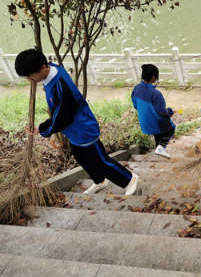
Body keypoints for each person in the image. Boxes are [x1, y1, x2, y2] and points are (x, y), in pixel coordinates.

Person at [15, 49, 139, 195]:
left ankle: (129, 179)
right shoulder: (52, 69)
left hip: (83, 128)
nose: (31, 81)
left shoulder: (61, 89)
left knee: (99, 160)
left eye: (31, 77)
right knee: (82, 158)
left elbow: (62, 118)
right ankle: (100, 181)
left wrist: (41, 129)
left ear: (43, 67)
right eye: (27, 78)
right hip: (73, 130)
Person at [132, 64, 175, 159]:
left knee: (158, 130)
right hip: (154, 123)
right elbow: (162, 114)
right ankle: (161, 148)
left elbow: (135, 105)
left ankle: (158, 148)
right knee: (171, 127)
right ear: (153, 77)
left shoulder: (136, 88)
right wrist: (170, 111)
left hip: (144, 122)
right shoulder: (155, 94)